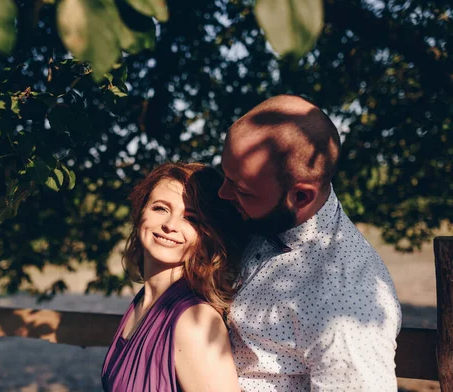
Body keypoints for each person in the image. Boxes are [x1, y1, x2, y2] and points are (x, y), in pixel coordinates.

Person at [219, 95, 402, 391]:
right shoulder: (260, 218)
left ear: (301, 196)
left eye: (241, 189)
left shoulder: (347, 304)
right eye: (224, 175)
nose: (222, 194)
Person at [101, 163, 245, 392]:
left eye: (191, 218)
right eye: (160, 208)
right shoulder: (143, 301)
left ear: (207, 235)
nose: (170, 225)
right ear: (140, 214)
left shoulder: (194, 322)